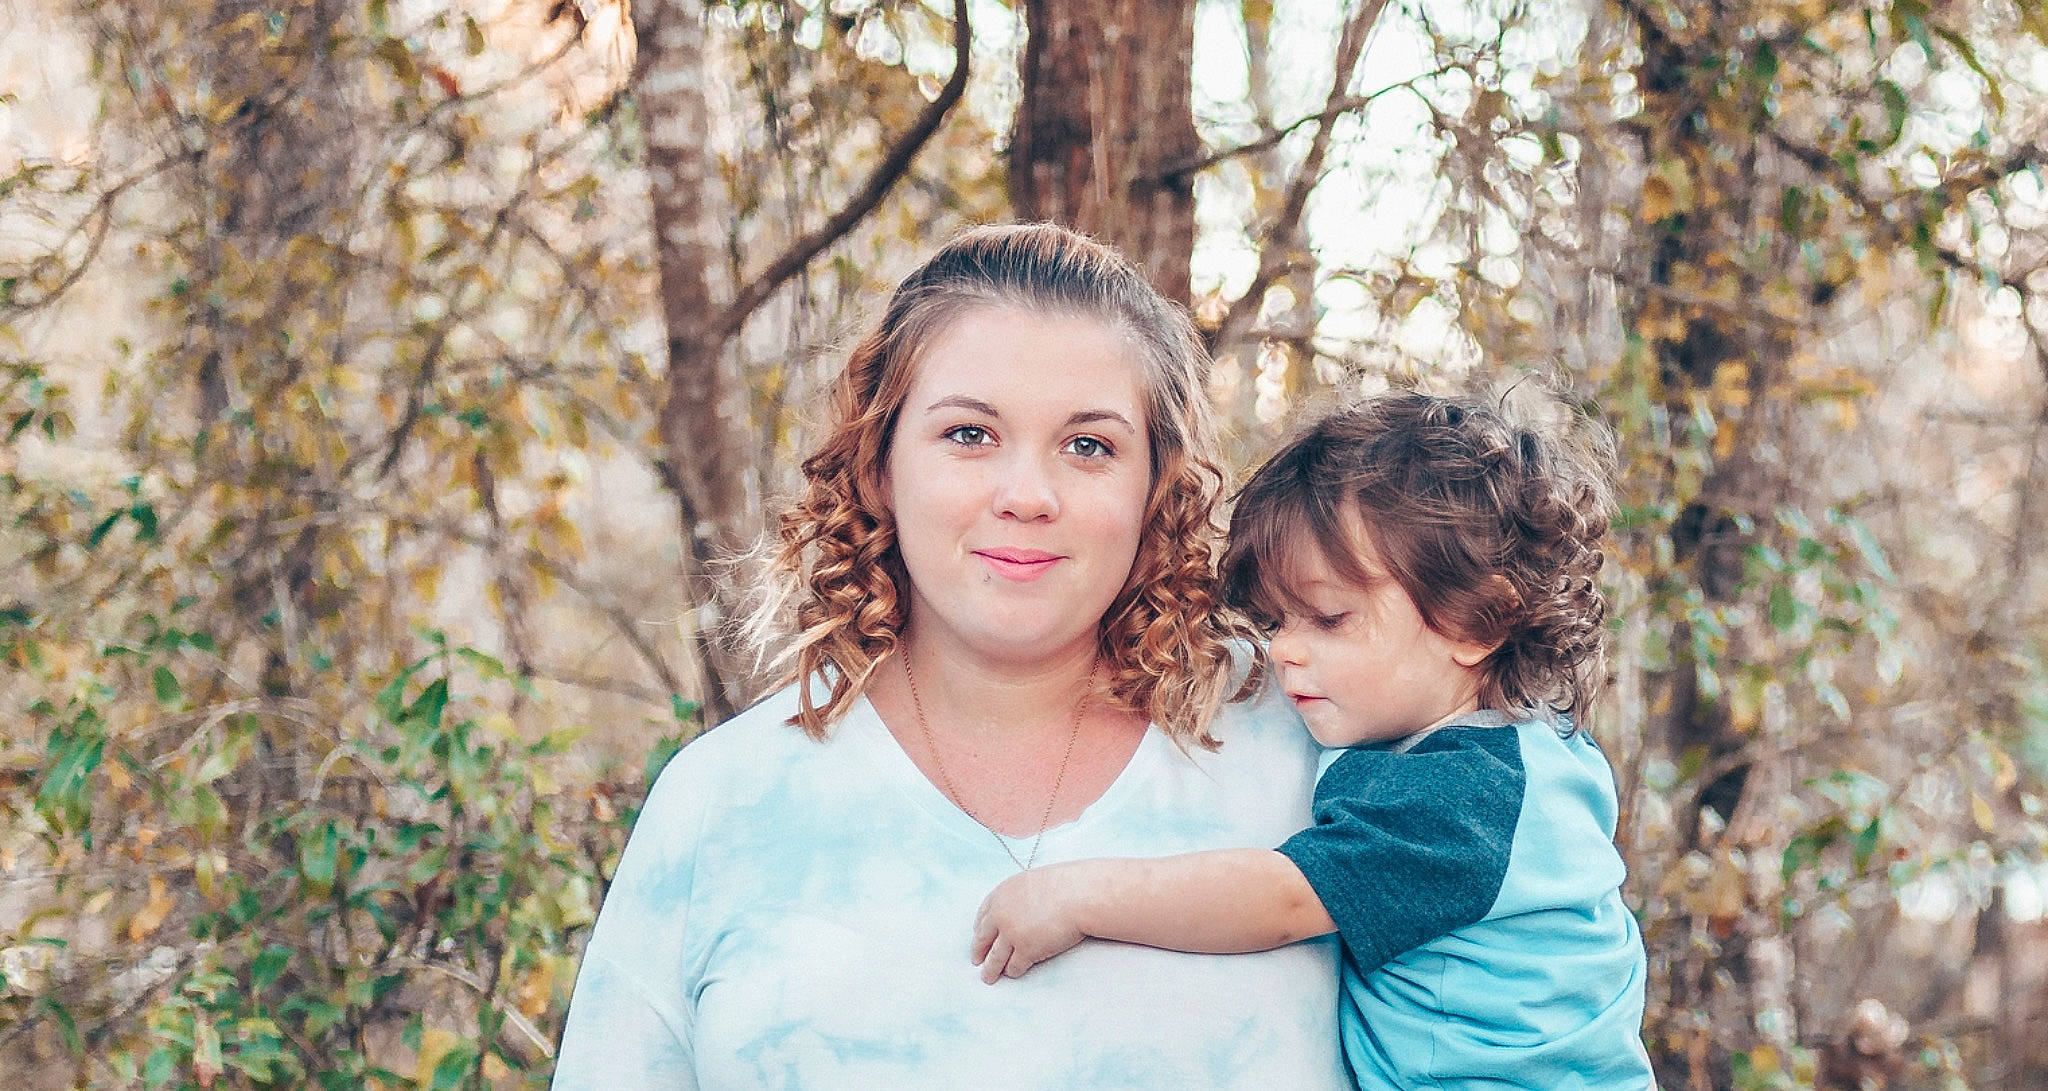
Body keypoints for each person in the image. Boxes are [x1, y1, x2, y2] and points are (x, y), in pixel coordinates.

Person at [552, 224, 1345, 1088]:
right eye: (969, 434)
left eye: (1088, 445)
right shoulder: (722, 804)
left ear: (1155, 485)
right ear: (879, 465)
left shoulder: (1312, 745)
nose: (1027, 496)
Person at [971, 390, 1655, 1090]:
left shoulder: (1465, 797)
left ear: (1477, 623)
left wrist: (1080, 898)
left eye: (1328, 618)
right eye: (1276, 620)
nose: (1283, 651)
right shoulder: (1534, 745)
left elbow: (1281, 900)